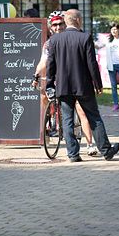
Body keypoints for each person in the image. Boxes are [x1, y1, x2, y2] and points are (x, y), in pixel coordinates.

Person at [45, 9, 119, 163]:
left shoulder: (54, 40)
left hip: (63, 87)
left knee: (67, 120)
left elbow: (50, 65)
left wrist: (49, 85)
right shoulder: (85, 37)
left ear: (66, 21)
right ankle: (106, 150)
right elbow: (92, 64)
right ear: (78, 20)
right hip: (83, 85)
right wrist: (98, 84)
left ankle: (73, 154)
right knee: (94, 117)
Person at [36, 11, 99, 156]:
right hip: (60, 81)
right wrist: (35, 74)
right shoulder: (49, 43)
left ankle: (90, 144)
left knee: (82, 112)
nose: (58, 27)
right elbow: (44, 62)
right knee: (54, 107)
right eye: (55, 25)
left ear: (66, 23)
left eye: (61, 24)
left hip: (76, 82)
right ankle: (47, 134)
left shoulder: (78, 36)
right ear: (50, 27)